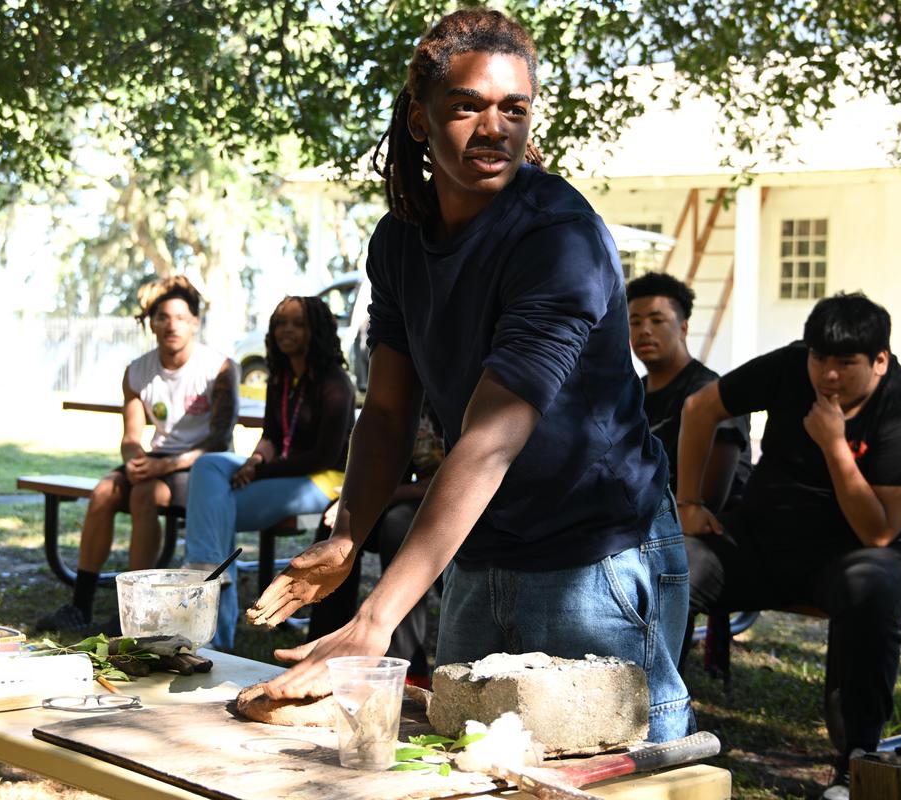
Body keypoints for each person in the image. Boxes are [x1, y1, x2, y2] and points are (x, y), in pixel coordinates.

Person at [247, 8, 693, 744]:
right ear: (420, 120)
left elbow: (489, 440)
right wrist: (347, 537)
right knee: (468, 756)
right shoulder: (399, 241)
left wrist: (375, 619)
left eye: (514, 108)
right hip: (475, 547)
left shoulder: (558, 237)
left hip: (595, 556)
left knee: (607, 773)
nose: (494, 129)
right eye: (467, 107)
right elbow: (387, 412)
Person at [677, 292, 901, 799]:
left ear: (879, 360)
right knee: (674, 565)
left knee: (875, 587)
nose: (828, 375)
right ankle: (657, 725)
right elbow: (700, 407)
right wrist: (689, 502)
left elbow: (878, 532)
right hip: (763, 539)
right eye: (819, 358)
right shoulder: (788, 367)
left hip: (853, 555)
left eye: (845, 363)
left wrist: (834, 444)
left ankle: (855, 763)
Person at [35, 276, 238, 633]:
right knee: (103, 492)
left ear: (195, 322)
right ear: (151, 323)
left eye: (180, 317)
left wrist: (165, 465)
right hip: (158, 461)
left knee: (145, 494)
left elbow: (219, 442)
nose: (171, 325)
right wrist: (134, 459)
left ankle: (133, 612)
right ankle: (80, 605)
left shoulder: (219, 367)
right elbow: (131, 436)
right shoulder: (138, 371)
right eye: (163, 317)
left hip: (203, 466)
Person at [184, 295, 356, 650]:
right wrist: (255, 461)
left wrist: (263, 472)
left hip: (323, 481)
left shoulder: (335, 383)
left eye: (297, 324)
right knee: (208, 466)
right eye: (280, 323)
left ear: (316, 331)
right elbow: (272, 436)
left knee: (216, 509)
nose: (286, 331)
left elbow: (323, 456)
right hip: (281, 472)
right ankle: (212, 599)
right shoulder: (281, 377)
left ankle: (213, 628)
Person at [626, 271, 752, 679]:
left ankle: (656, 688)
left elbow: (710, 498)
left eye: (657, 320)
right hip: (638, 523)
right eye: (634, 321)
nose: (644, 330)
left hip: (708, 534)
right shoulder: (630, 394)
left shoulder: (709, 392)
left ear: (683, 327)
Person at [306, 402, 445, 687]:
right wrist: (349, 506)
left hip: (456, 505)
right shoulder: (414, 398)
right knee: (334, 528)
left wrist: (385, 497)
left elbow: (443, 480)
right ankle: (323, 651)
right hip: (411, 496)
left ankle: (407, 667)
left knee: (399, 527)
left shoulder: (447, 403)